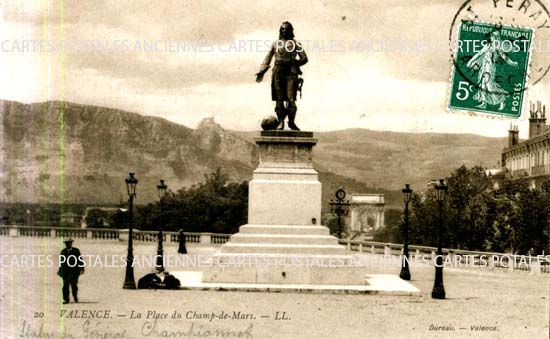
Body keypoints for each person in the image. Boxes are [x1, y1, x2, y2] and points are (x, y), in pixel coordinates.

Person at [256, 21, 308, 130]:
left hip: (291, 73)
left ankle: (291, 122)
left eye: (287, 29)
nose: (285, 31)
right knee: (279, 99)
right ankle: (281, 122)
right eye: (283, 29)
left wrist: (295, 63)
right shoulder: (275, 44)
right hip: (278, 72)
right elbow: (268, 57)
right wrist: (262, 71)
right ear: (280, 31)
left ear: (291, 31)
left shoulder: (296, 44)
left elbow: (304, 58)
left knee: (291, 99)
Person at [466, 30, 518, 110]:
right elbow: (479, 54)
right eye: (491, 36)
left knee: (489, 85)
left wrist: (512, 63)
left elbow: (505, 58)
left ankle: (502, 100)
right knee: (482, 84)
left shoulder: (498, 48)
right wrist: (470, 61)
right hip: (484, 66)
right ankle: (484, 103)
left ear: (496, 37)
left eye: (493, 36)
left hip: (490, 67)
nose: (491, 38)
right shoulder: (488, 45)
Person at [57, 238, 84, 304]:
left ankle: (75, 297)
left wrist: (82, 269)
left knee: (74, 285)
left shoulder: (76, 251)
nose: (67, 244)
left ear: (71, 243)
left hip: (74, 272)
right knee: (65, 286)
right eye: (66, 243)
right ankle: (66, 299)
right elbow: (61, 262)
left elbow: (80, 260)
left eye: (69, 243)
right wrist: (59, 270)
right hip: (65, 272)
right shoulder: (63, 251)